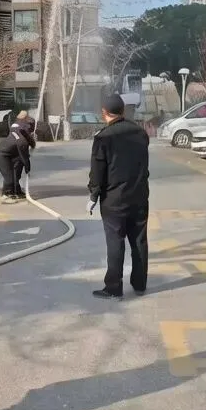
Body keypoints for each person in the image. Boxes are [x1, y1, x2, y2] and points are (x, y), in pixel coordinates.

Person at [86, 93, 150, 299]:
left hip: (114, 200)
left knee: (115, 242)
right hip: (139, 196)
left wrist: (93, 196)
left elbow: (97, 172)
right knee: (139, 241)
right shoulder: (140, 133)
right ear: (123, 110)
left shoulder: (103, 137)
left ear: (104, 112)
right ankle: (139, 284)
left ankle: (114, 287)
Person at [0, 120, 32, 203]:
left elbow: (23, 156)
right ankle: (6, 195)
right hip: (1, 155)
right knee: (9, 176)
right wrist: (27, 168)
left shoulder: (19, 134)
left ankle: (16, 192)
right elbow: (24, 156)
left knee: (16, 174)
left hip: (10, 154)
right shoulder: (22, 140)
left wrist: (25, 166)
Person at [10, 111, 36, 198]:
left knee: (14, 172)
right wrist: (27, 169)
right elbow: (27, 140)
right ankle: (15, 192)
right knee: (17, 172)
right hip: (19, 151)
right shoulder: (24, 126)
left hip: (12, 150)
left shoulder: (14, 125)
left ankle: (16, 191)